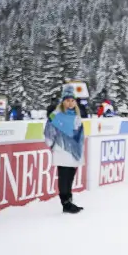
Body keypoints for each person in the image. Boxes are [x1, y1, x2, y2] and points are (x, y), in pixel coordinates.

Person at [43, 86, 85, 214]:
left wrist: (77, 147)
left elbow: (80, 134)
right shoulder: (56, 115)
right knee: (64, 176)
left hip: (73, 151)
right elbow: (48, 133)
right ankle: (65, 202)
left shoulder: (76, 117)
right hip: (62, 150)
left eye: (72, 100)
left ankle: (69, 200)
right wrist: (54, 145)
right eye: (67, 100)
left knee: (71, 175)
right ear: (63, 101)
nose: (70, 103)